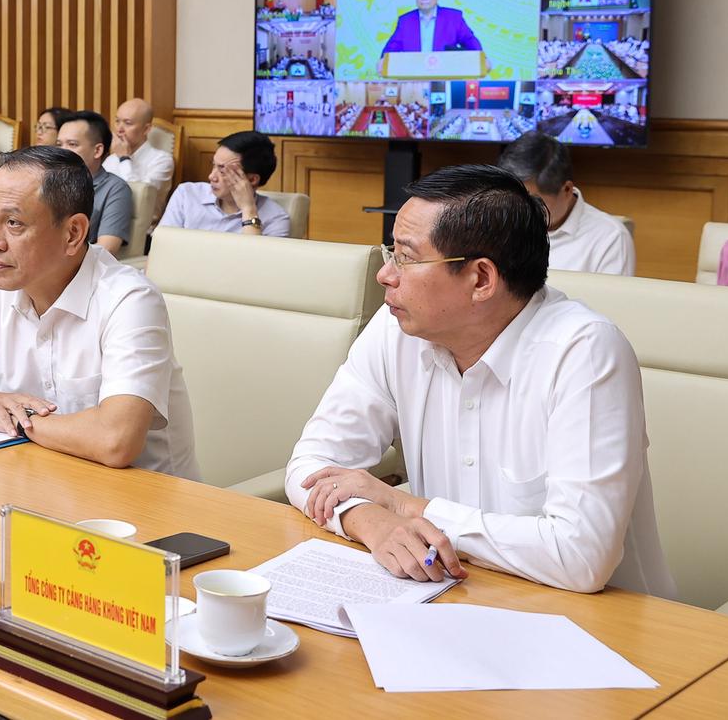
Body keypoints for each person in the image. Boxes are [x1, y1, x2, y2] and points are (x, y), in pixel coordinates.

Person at [284, 165, 674, 598]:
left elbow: (581, 557)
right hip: (451, 596)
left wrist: (401, 504)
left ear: (482, 279)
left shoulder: (584, 351)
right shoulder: (397, 328)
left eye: (406, 257)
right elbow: (311, 466)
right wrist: (373, 523)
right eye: (390, 252)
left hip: (602, 621)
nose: (386, 275)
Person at [0, 148, 200, 478]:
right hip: (38, 483)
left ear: (73, 233)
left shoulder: (129, 300)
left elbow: (115, 440)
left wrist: (14, 421)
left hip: (140, 503)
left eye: (14, 223)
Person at [498, 130, 634, 276]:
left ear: (567, 190)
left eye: (532, 203)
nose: (519, 211)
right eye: (513, 200)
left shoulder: (610, 237)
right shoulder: (500, 222)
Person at [160, 130, 290, 237]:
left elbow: (256, 259)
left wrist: (248, 210)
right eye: (213, 165)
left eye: (222, 171)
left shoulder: (275, 218)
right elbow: (162, 247)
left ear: (251, 180)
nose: (211, 176)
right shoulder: (187, 194)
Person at [54, 111, 133, 254]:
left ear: (97, 150)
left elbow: (106, 249)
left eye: (72, 144)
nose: (62, 152)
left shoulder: (115, 188)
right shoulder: (47, 181)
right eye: (59, 145)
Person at [378, 0, 483, 69]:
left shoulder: (454, 18)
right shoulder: (405, 21)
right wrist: (383, 61)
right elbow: (391, 47)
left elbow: (470, 40)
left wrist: (482, 59)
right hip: (414, 76)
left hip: (445, 75)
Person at [103, 98, 174, 224]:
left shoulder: (162, 160)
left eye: (128, 123)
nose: (119, 129)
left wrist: (124, 159)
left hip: (140, 228)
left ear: (146, 129)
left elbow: (137, 198)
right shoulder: (111, 159)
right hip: (107, 221)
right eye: (117, 121)